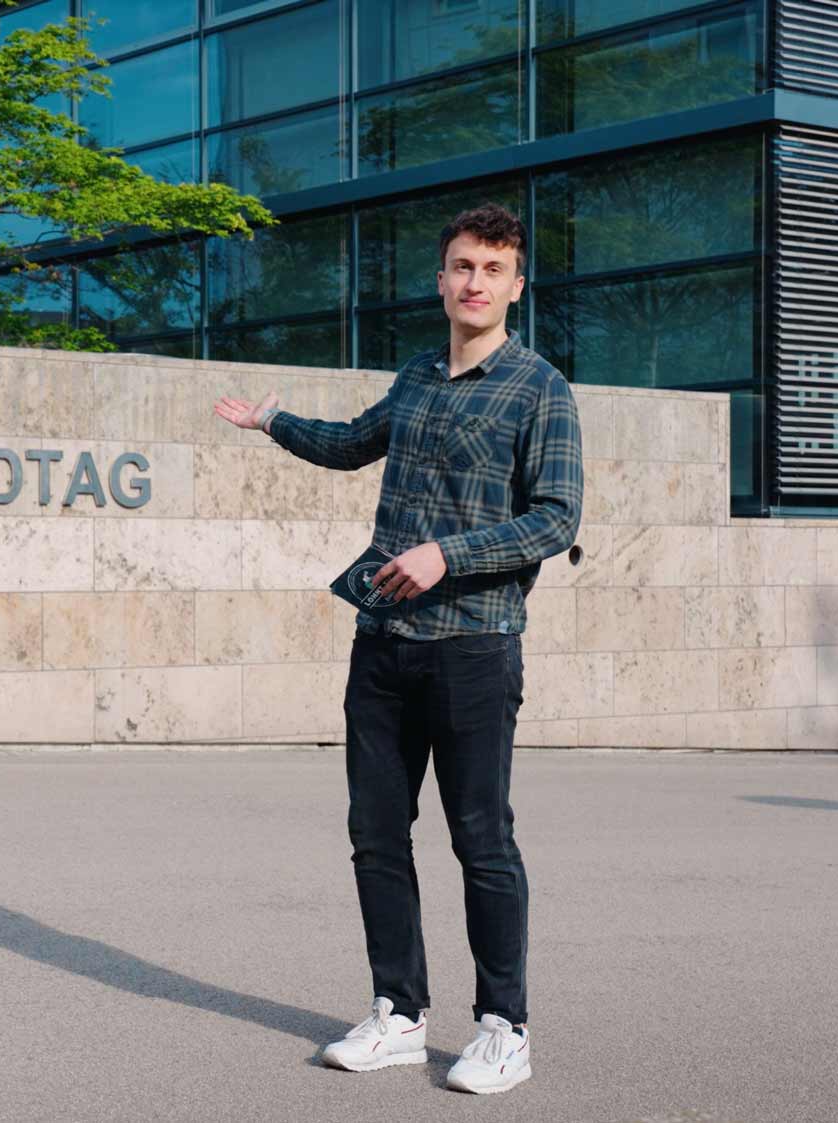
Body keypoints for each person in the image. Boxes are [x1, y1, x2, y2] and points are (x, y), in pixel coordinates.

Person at [213, 203, 583, 1096]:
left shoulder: (540, 389)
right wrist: (275, 423)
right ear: (442, 277)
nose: (474, 282)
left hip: (475, 646)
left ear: (515, 285)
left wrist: (446, 555)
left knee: (480, 838)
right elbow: (351, 445)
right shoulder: (417, 376)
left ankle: (504, 1025)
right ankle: (400, 1014)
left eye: (492, 269)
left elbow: (556, 518)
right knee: (375, 834)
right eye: (461, 266)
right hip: (382, 641)